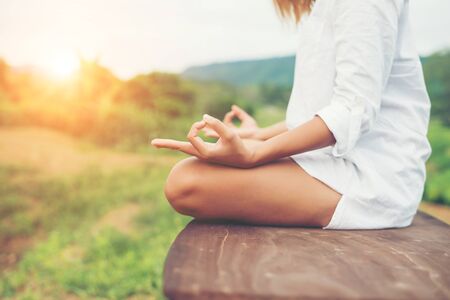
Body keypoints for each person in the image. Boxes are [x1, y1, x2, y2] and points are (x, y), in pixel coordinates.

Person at [151, 0, 431, 229]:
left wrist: (255, 154)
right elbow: (321, 112)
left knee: (186, 182)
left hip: (373, 179)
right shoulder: (319, 8)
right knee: (196, 171)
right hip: (337, 161)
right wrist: (259, 136)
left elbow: (352, 111)